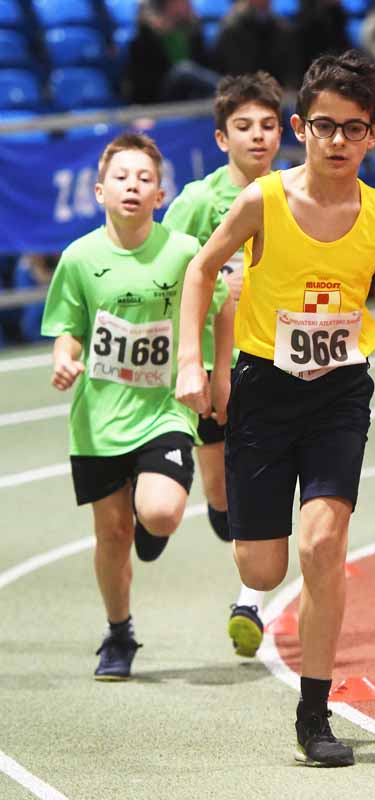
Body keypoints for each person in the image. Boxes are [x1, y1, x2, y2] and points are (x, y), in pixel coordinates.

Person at [175, 50, 375, 766]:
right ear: (300, 128)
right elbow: (200, 270)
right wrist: (191, 361)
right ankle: (243, 546)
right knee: (261, 570)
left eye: (353, 128)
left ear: (373, 134)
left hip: (340, 392)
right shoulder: (262, 202)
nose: (338, 141)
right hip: (263, 388)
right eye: (324, 126)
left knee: (322, 547)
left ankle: (314, 715)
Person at [41, 133, 234, 681]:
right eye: (121, 177)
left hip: (164, 409)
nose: (132, 186)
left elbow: (223, 306)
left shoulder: (183, 252)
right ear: (100, 190)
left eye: (144, 178)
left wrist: (218, 374)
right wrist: (65, 359)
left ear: (160, 194)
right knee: (112, 536)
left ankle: (152, 515)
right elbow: (68, 329)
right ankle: (119, 632)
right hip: (99, 419)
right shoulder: (79, 258)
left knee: (161, 513)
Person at [162, 70, 283, 659]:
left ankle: (249, 602)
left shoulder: (294, 193)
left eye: (267, 125)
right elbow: (168, 273)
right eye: (244, 126)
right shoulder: (197, 202)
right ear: (221, 138)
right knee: (221, 498)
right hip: (215, 367)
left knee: (268, 483)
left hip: (275, 361)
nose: (257, 136)